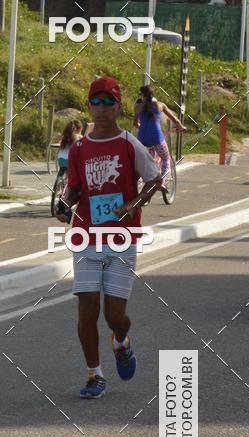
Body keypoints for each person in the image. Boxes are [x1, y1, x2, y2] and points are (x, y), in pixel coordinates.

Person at [55, 76, 162, 399]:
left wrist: (132, 205)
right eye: (95, 102)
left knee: (114, 315)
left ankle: (121, 342)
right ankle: (94, 375)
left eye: (108, 102)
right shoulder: (79, 148)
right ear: (89, 106)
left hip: (121, 238)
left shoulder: (130, 143)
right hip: (86, 236)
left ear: (118, 107)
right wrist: (65, 204)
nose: (101, 108)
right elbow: (74, 188)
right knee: (86, 309)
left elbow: (155, 179)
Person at [134, 85, 186, 191]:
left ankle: (139, 179)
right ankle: (163, 182)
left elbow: (135, 123)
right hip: (156, 138)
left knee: (146, 160)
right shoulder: (160, 105)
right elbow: (175, 121)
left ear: (142, 95)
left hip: (142, 139)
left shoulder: (138, 107)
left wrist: (141, 127)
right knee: (166, 158)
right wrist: (181, 127)